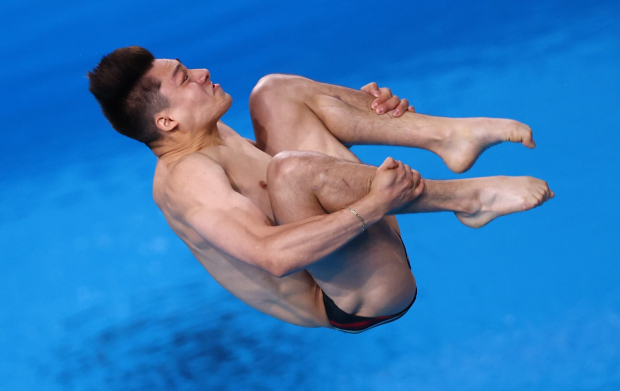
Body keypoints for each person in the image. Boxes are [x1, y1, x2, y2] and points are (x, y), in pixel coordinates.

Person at [88, 46, 553, 333]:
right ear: (166, 122)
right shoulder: (188, 180)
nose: (203, 72)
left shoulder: (209, 132)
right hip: (355, 297)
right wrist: (373, 205)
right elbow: (273, 255)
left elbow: (292, 171)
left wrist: (361, 107)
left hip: (349, 239)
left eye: (189, 68)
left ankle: (446, 136)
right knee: (291, 171)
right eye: (185, 79)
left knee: (274, 91)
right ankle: (468, 199)